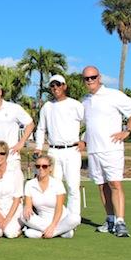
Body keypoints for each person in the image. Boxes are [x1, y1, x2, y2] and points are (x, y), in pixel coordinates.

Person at [81, 66, 131, 237]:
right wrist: (83, 140)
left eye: (93, 77)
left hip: (111, 149)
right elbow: (91, 125)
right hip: (94, 150)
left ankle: (120, 222)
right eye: (87, 78)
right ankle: (110, 219)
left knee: (115, 184)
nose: (90, 80)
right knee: (101, 186)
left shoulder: (113, 95)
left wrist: (127, 131)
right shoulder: (84, 101)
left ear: (99, 77)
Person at [34, 74, 84, 216]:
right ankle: (55, 215)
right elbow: (41, 128)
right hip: (53, 151)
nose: (55, 88)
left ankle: (73, 217)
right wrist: (38, 147)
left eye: (58, 84)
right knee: (54, 186)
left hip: (72, 150)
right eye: (52, 85)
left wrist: (84, 140)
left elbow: (90, 122)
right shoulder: (47, 107)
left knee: (73, 186)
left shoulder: (75, 105)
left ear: (64, 86)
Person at [21, 155, 81, 239]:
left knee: (76, 218)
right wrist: (27, 208)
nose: (41, 168)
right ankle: (61, 232)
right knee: (22, 215)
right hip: (42, 221)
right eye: (38, 166)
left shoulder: (57, 183)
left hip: (60, 219)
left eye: (44, 166)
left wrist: (52, 226)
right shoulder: (29, 184)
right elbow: (28, 205)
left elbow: (59, 209)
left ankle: (49, 233)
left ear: (50, 168)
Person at [0, 82, 34, 170]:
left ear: (0, 92)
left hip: (11, 155)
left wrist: (21, 143)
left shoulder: (14, 108)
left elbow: (30, 124)